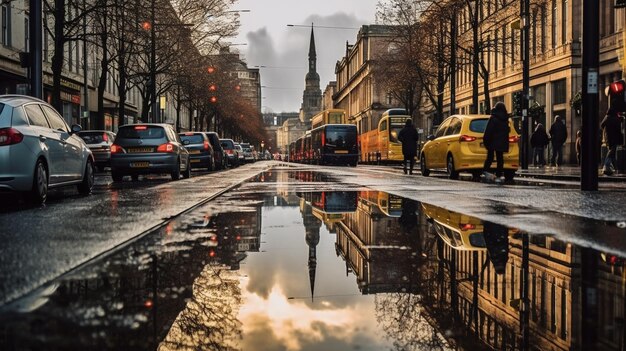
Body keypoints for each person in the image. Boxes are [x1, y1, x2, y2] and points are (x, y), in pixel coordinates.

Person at [482, 102, 511, 183]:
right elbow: (507, 131)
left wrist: (486, 141)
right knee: (500, 158)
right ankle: (498, 174)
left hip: (492, 141)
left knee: (490, 157)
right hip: (501, 142)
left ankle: (485, 171)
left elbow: (489, 131)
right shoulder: (505, 120)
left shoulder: (493, 118)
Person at [600, 108, 624, 175]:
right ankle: (606, 165)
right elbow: (619, 128)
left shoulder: (607, 117)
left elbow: (602, 125)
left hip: (608, 137)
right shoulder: (615, 118)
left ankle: (615, 169)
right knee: (611, 151)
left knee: (612, 153)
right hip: (614, 138)